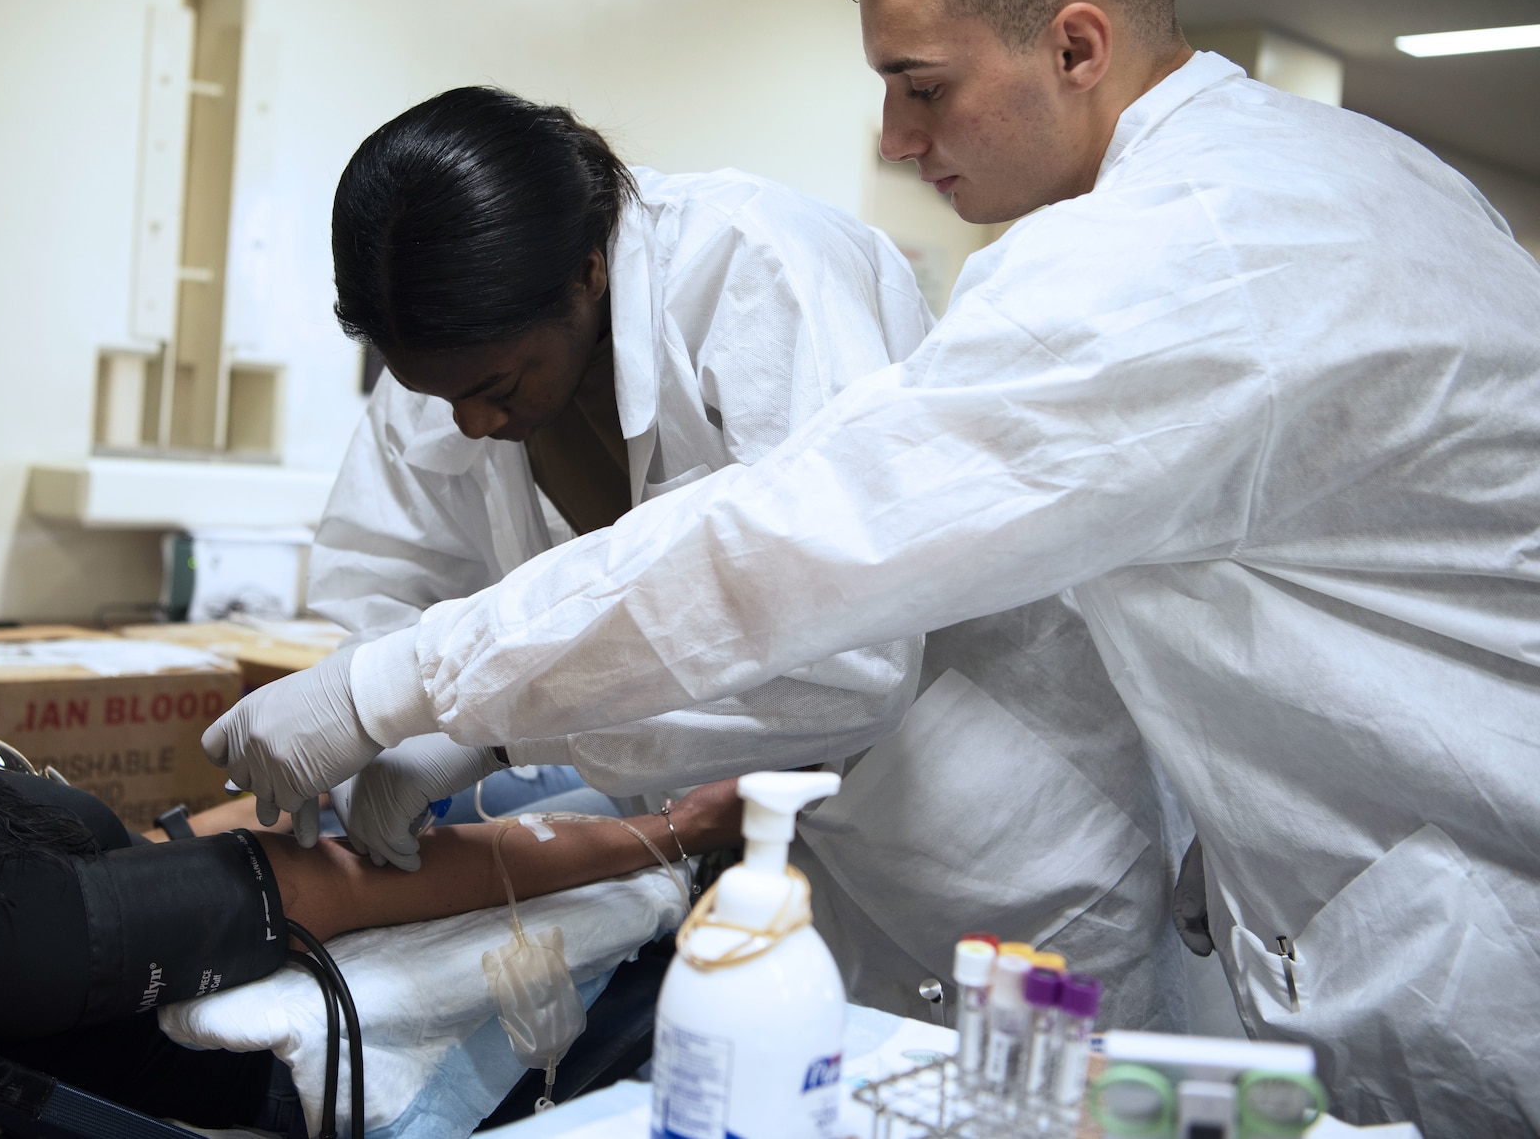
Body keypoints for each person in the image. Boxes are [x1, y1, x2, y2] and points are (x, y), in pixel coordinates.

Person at [206, 0, 1540, 1132]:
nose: (898, 141)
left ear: (1077, 43)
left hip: (1433, 917)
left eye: (922, 85)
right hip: (1368, 881)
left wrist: (419, 684)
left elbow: (802, 537)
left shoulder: (1187, 252)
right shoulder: (1335, 177)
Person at [0, 431, 741, 1131]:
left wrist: (312, 779)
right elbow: (339, 890)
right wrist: (669, 838)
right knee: (661, 921)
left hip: (193, 915)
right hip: (253, 1071)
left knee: (530, 783)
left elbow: (140, 865)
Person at [304, 85, 1188, 1024]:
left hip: (999, 836)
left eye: (497, 385)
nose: (472, 423)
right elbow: (382, 579)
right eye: (442, 397)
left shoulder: (757, 269)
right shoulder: (457, 352)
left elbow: (847, 654)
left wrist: (485, 722)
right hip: (783, 873)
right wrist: (367, 733)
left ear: (584, 274)